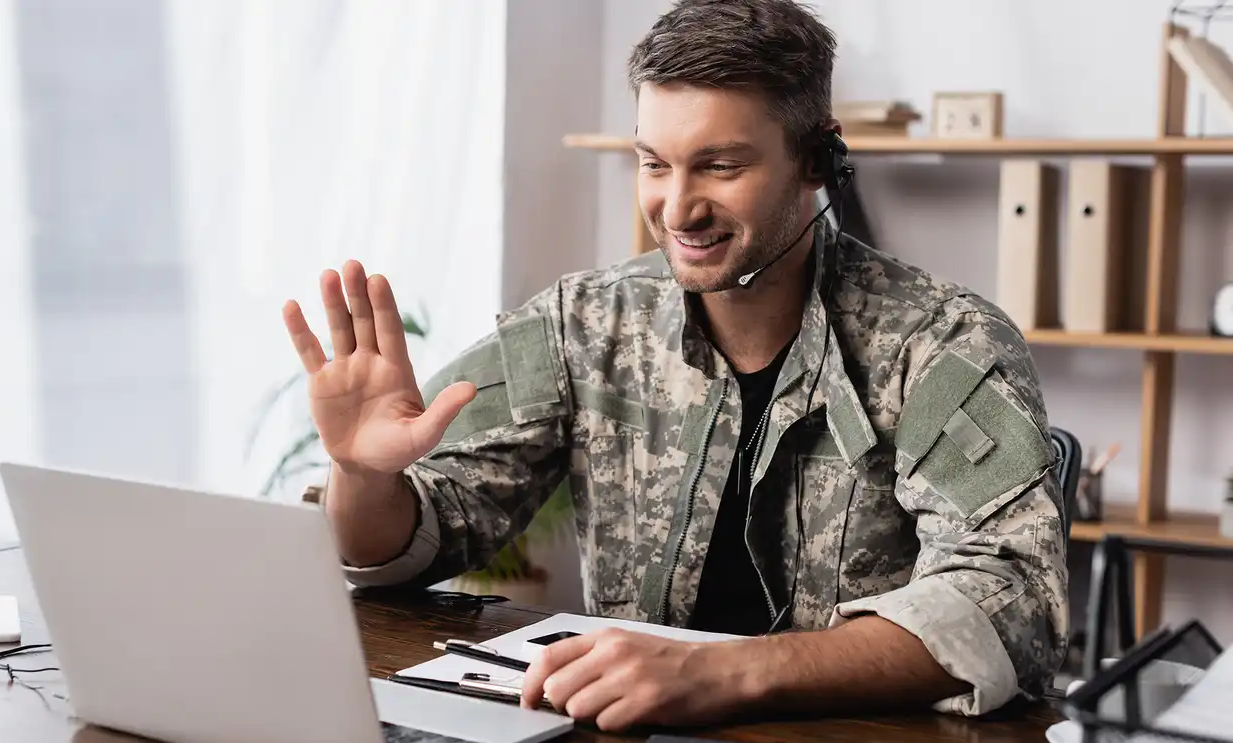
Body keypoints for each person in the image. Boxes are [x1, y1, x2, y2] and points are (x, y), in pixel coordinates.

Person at [281, 0, 1068, 732]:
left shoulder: (942, 342)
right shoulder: (582, 321)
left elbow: (1010, 598)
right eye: (654, 164)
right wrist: (362, 472)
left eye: (720, 166)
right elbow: (414, 536)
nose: (677, 207)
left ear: (817, 161)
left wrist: (726, 672)